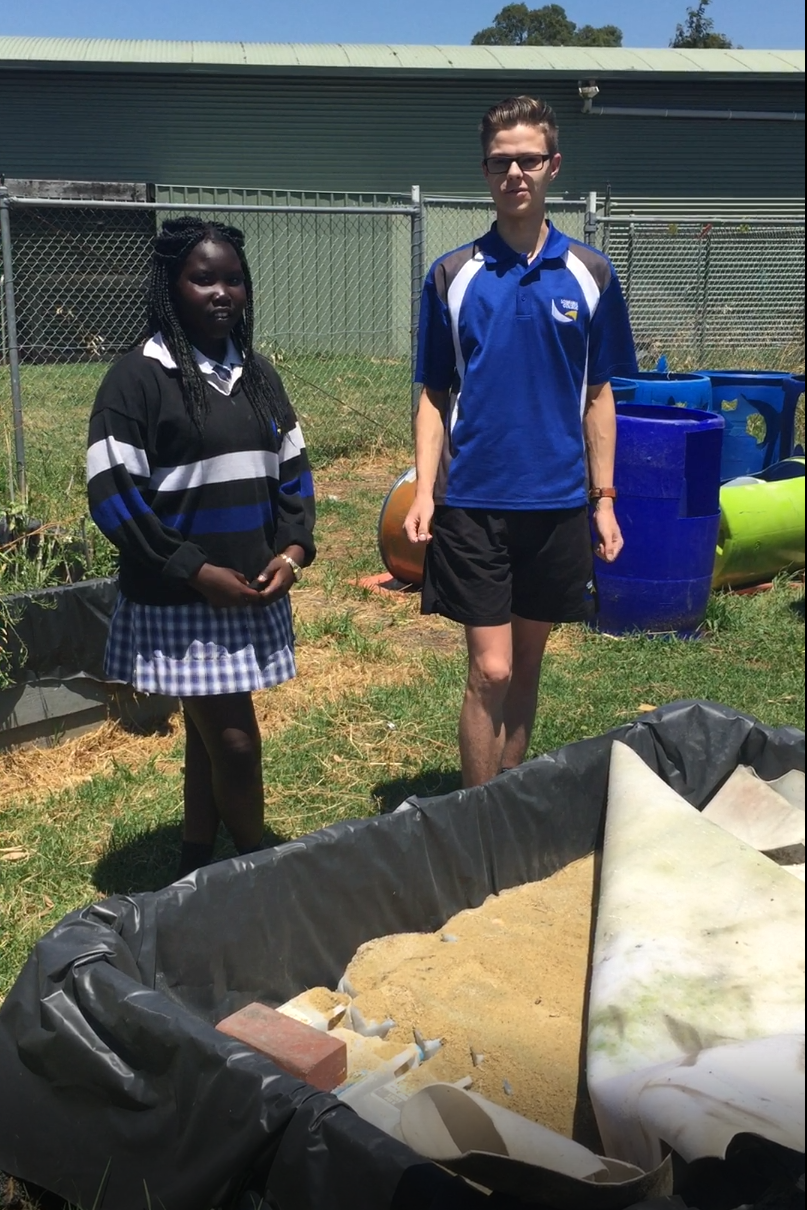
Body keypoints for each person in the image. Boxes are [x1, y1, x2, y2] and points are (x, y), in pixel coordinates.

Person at [404, 95, 637, 788]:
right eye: (501, 161)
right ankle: (477, 821)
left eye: (527, 159)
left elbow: (599, 395)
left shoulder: (590, 276)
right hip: (474, 500)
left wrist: (604, 499)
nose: (515, 172)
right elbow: (432, 393)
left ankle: (507, 800)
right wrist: (423, 489)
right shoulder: (451, 276)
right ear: (485, 172)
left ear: (551, 167)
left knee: (528, 664)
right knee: (491, 668)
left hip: (558, 500)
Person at [87, 217, 316, 878]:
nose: (221, 292)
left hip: (250, 591)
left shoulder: (257, 374)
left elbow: (294, 475)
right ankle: (257, 877)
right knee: (237, 745)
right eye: (203, 278)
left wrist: (292, 551)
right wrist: (194, 569)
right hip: (181, 599)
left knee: (207, 736)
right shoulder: (136, 380)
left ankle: (195, 859)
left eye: (233, 279)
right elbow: (114, 495)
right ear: (170, 287)